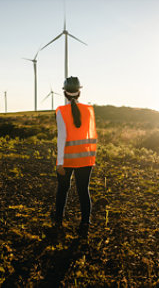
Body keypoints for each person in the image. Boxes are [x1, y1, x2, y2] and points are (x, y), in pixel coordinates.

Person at [53, 76, 97, 237]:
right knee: (83, 191)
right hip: (85, 158)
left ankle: (58, 221)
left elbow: (62, 138)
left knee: (62, 191)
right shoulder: (89, 110)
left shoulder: (60, 111)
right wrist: (90, 157)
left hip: (68, 159)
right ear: (79, 92)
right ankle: (85, 223)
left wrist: (60, 162)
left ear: (65, 93)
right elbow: (90, 134)